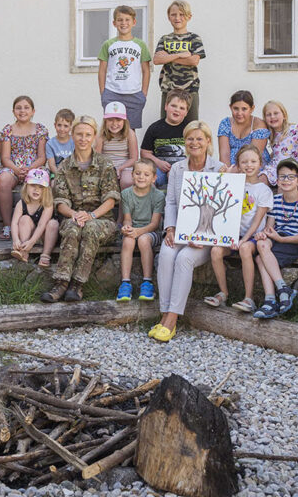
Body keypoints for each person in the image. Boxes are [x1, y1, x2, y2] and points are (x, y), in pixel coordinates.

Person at [151, 121, 224, 342]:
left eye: (199, 138)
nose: (194, 143)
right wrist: (170, 228)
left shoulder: (218, 168)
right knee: (165, 254)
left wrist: (201, 236)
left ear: (208, 142)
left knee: (183, 259)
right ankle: (164, 314)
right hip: (180, 229)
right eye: (190, 138)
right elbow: (171, 202)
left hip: (207, 236)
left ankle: (171, 320)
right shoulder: (177, 168)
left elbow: (222, 209)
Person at [41, 116, 120, 303]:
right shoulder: (64, 167)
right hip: (74, 217)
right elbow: (60, 203)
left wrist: (91, 215)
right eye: (79, 134)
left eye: (88, 134)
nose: (83, 139)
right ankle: (60, 283)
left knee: (91, 228)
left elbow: (110, 200)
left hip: (102, 220)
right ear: (72, 135)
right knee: (71, 228)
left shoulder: (104, 164)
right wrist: (75, 214)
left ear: (94, 137)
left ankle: (77, 285)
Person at [204, 145, 273, 315]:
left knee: (244, 249)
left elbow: (257, 221)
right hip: (234, 234)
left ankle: (248, 298)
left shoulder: (264, 190)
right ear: (238, 165)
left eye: (253, 161)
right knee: (215, 251)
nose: (249, 165)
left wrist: (243, 239)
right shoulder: (233, 185)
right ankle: (223, 293)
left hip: (254, 236)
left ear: (260, 163)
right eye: (244, 162)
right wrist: (225, 175)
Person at [254, 158, 298, 291]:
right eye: (282, 177)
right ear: (277, 181)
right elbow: (269, 228)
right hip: (279, 238)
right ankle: (280, 291)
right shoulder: (275, 200)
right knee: (261, 244)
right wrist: (264, 233)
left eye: (291, 177)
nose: (286, 180)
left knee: (261, 259)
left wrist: (280, 239)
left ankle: (273, 296)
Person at [0, 96, 48, 240]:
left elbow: (42, 157)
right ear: (13, 111)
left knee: (40, 179)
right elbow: (5, 157)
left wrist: (29, 170)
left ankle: (37, 223)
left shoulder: (40, 130)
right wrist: (18, 170)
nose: (22, 111)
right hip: (13, 167)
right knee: (3, 180)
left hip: (34, 167)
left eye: (26, 108)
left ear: (33, 111)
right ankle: (7, 225)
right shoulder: (8, 130)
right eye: (18, 108)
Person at [116, 158, 164, 303]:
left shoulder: (158, 196)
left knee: (143, 240)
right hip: (134, 229)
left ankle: (147, 282)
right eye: (138, 173)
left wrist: (139, 232)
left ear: (154, 178)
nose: (141, 177)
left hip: (151, 232)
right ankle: (125, 283)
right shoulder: (126, 194)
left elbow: (155, 223)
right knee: (128, 241)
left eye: (146, 174)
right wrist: (127, 227)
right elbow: (127, 218)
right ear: (132, 175)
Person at [97, 5, 151, 129]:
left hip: (134, 94)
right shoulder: (108, 44)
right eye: (120, 20)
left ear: (134, 22)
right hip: (112, 93)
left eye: (127, 20)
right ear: (114, 23)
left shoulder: (140, 45)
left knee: (130, 131)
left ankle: (132, 149)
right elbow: (102, 70)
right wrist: (103, 93)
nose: (124, 23)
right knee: (111, 130)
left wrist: (143, 93)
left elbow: (146, 70)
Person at [153, 0, 205, 124]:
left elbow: (194, 60)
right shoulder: (165, 39)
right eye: (173, 14)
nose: (177, 18)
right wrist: (180, 54)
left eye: (181, 14)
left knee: (191, 127)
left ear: (189, 17)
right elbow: (157, 59)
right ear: (168, 17)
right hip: (169, 90)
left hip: (190, 89)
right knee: (166, 126)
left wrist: (169, 56)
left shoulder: (194, 38)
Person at [9, 168, 59, 268]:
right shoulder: (21, 203)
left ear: (46, 189)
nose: (36, 189)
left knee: (53, 224)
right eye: (33, 186)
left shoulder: (47, 204)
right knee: (24, 219)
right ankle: (23, 250)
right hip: (29, 235)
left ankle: (45, 255)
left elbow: (42, 225)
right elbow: (14, 223)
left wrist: (32, 242)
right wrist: (15, 239)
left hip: (45, 236)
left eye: (41, 187)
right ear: (26, 186)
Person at [140, 90, 191, 188]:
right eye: (173, 106)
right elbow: (145, 153)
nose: (177, 110)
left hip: (183, 168)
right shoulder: (155, 128)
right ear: (166, 106)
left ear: (186, 112)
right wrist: (158, 163)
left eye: (182, 108)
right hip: (160, 169)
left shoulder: (189, 129)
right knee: (147, 180)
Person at [216, 90, 270, 170]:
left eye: (244, 109)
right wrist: (227, 173)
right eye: (236, 108)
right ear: (230, 107)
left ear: (252, 109)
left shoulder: (259, 125)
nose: (239, 113)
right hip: (231, 168)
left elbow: (253, 156)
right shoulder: (226, 123)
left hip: (254, 168)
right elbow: (224, 154)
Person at [258, 101, 298, 188]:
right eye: (268, 115)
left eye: (276, 113)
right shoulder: (269, 134)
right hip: (275, 167)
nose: (272, 117)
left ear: (284, 115)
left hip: (292, 166)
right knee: (261, 179)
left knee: (285, 187)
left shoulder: (296, 129)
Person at [95, 101, 139, 190]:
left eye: (118, 120)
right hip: (106, 165)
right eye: (110, 120)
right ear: (105, 121)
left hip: (126, 166)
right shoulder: (101, 134)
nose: (114, 124)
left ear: (124, 121)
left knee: (127, 181)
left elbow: (134, 158)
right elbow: (97, 157)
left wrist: (120, 168)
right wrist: (108, 169)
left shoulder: (130, 133)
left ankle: (124, 203)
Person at [46, 108, 76, 175]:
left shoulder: (75, 141)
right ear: (55, 125)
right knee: (54, 183)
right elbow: (52, 165)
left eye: (66, 126)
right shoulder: (50, 144)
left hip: (72, 173)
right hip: (56, 173)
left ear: (71, 127)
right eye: (59, 125)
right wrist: (60, 176)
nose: (62, 129)